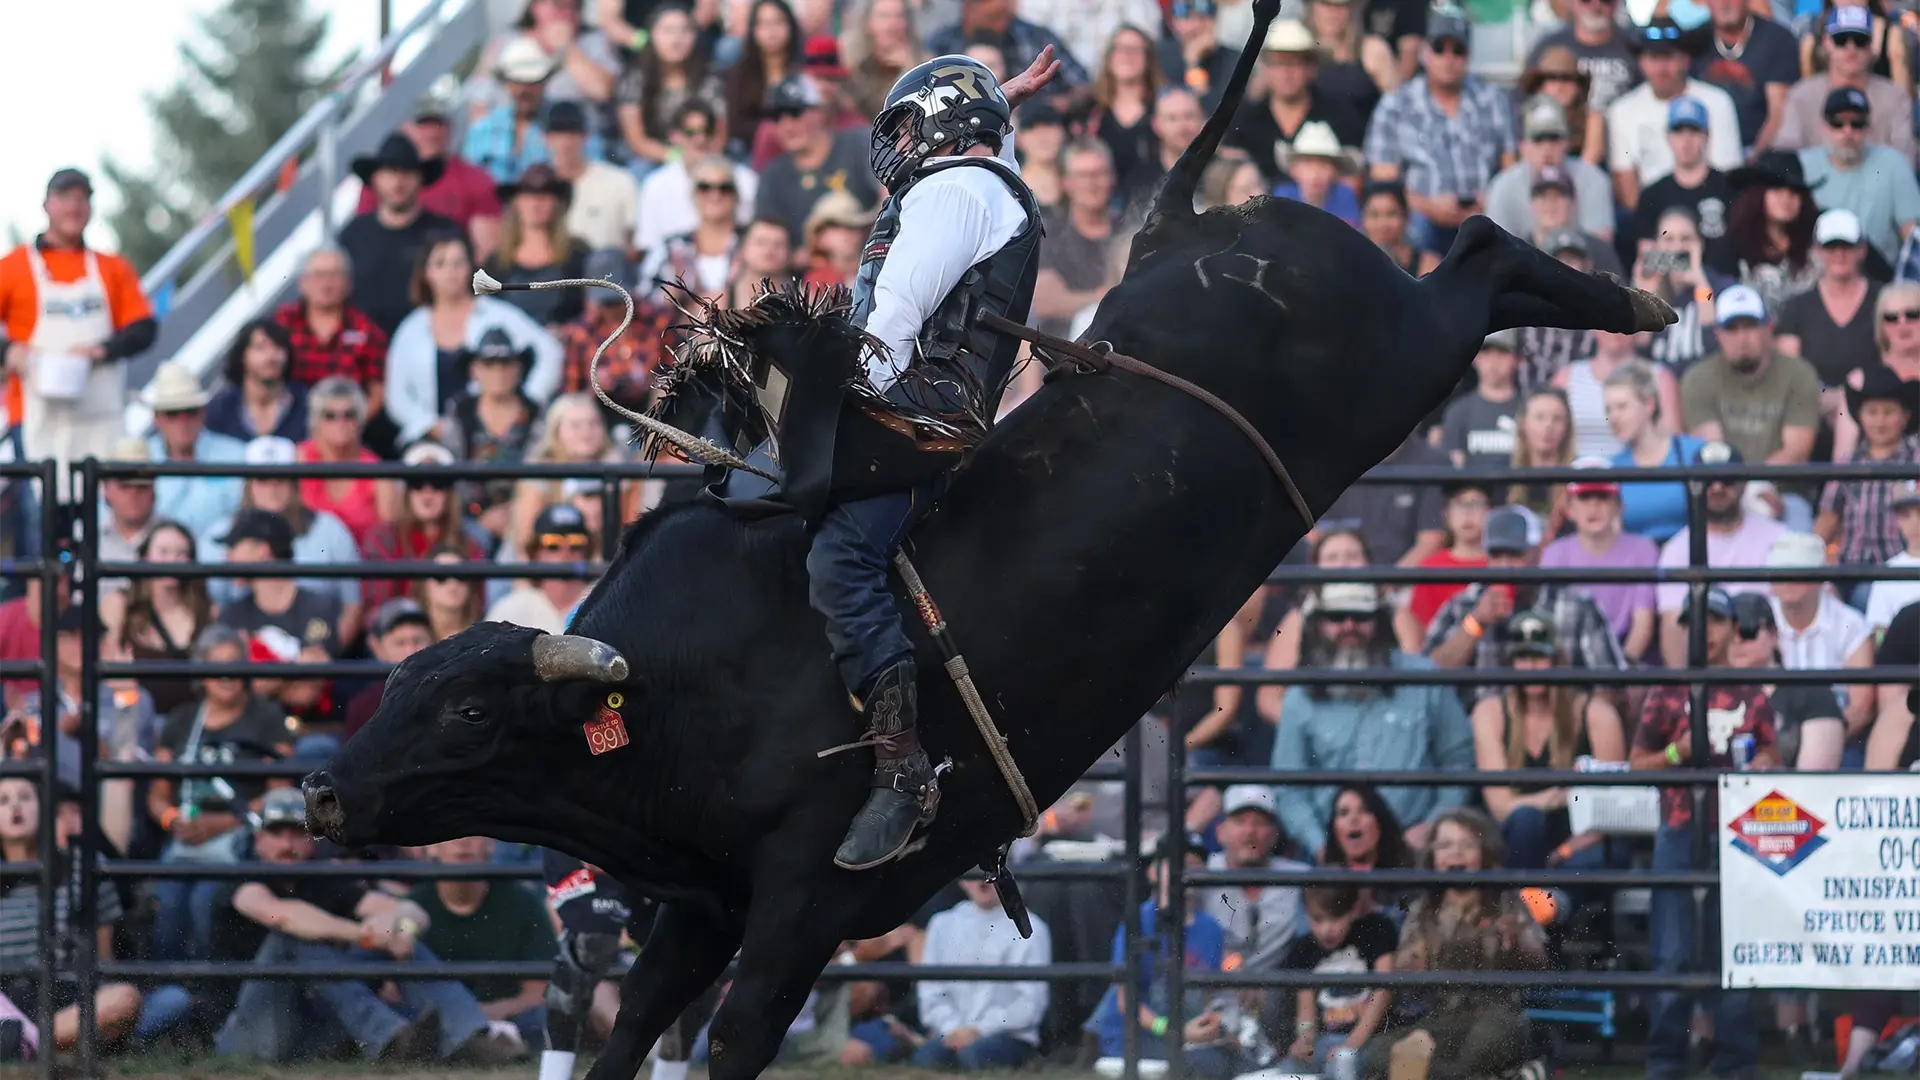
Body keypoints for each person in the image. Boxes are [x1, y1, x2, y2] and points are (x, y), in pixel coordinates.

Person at [800, 50, 1058, 871]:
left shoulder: (951, 190)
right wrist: (996, 105)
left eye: (911, 123)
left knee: (839, 555)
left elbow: (896, 313)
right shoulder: (981, 185)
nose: (897, 143)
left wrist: (838, 412)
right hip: (923, 409)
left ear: (946, 122)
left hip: (908, 416)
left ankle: (903, 767)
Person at [211, 788, 520, 1065]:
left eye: (298, 833)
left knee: (400, 940)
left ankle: (470, 1037)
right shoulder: (242, 880)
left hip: (307, 1027)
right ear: (258, 840)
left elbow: (409, 909)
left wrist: (403, 930)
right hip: (248, 1032)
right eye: (277, 833)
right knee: (291, 939)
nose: (288, 843)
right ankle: (392, 1039)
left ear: (312, 841)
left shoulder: (321, 880)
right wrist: (368, 935)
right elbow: (286, 917)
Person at [1631, 587, 1777, 1080]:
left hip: (1733, 834)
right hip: (1679, 829)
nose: (1708, 631)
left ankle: (1733, 1061)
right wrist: (1678, 753)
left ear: (1732, 629)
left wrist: (1763, 762)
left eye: (1716, 620)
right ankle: (1666, 1061)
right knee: (1673, 952)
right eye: (1700, 621)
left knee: (1731, 948)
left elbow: (1774, 756)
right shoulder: (1669, 690)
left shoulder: (1750, 692)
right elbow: (1637, 765)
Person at [1271, 582, 1475, 848]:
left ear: (1379, 621)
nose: (1349, 626)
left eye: (1361, 617)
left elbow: (1458, 762)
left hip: (1415, 848)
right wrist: (1321, 847)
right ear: (1320, 624)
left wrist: (1432, 828)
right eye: (1336, 617)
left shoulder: (1424, 679)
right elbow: (1289, 787)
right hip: (1332, 852)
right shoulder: (1301, 695)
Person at [0, 168, 157, 497]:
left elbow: (144, 328)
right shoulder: (12, 268)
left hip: (100, 418)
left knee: (100, 513)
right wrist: (8, 352)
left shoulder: (112, 267)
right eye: (65, 198)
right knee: (41, 522)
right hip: (34, 419)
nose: (74, 207)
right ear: (47, 205)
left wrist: (102, 350)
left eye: (82, 199)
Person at [1469, 612, 1626, 870]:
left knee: (1598, 858)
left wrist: (1564, 852)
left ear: (1557, 660)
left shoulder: (1596, 715)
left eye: (1540, 657)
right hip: (1520, 842)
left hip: (1581, 844)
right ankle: (1525, 905)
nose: (1531, 667)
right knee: (1526, 821)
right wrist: (1558, 796)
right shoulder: (1491, 712)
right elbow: (1500, 808)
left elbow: (1609, 812)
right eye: (1522, 658)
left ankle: (1546, 907)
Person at [1424, 505, 1628, 701]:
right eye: (1497, 555)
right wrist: (1476, 623)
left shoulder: (1575, 603)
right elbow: (1428, 675)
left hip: (1561, 726)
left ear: (1537, 553)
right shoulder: (1466, 604)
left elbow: (1611, 686)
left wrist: (1573, 717)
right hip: (1479, 729)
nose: (1504, 566)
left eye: (1514, 555)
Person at [1362, 13, 1516, 253]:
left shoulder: (1493, 100)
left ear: (1469, 56)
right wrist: (1428, 206)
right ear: (1424, 52)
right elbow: (1385, 183)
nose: (1448, 58)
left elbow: (1511, 170)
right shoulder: (1396, 104)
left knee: (1507, 219)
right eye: (1439, 48)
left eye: (1457, 51)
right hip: (1420, 219)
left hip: (1483, 216)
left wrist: (1489, 202)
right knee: (1410, 227)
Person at [1682, 284, 1822, 530]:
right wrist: (1743, 491)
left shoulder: (1799, 374)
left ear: (1768, 328)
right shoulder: (1698, 377)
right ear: (1718, 335)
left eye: (1749, 326)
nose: (1742, 338)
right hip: (1720, 489)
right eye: (1732, 329)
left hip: (1783, 492)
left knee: (1799, 537)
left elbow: (1798, 449)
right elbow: (1712, 450)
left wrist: (1758, 486)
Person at [1656, 441, 1790, 666]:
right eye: (1708, 480)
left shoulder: (1779, 537)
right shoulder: (1677, 548)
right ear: (1694, 486)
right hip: (1708, 669)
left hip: (1766, 666)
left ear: (1744, 483)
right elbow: (1674, 627)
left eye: (1727, 479)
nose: (1717, 487)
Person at [910, 878, 1052, 1069]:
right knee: (925, 1061)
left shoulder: (1031, 927)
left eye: (989, 874)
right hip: (951, 1033)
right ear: (961, 880)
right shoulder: (941, 923)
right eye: (973, 874)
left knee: (974, 1058)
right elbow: (931, 991)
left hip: (1008, 1035)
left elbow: (1031, 1003)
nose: (982, 882)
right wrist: (953, 1029)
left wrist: (979, 1030)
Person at [1604, 19, 1742, 212]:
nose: (1661, 67)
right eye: (1653, 57)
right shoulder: (1622, 110)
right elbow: (1625, 179)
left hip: (1708, 210)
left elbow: (1728, 174)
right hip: (1652, 215)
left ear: (1685, 60)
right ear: (1642, 62)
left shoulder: (1717, 102)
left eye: (1668, 57)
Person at [339, 136, 462, 335]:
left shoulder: (445, 234)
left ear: (420, 178)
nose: (398, 182)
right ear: (375, 179)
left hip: (428, 340)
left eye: (407, 172)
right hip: (366, 349)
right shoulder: (353, 234)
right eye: (389, 172)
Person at [1541, 460, 1659, 657]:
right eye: (1585, 497)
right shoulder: (1555, 554)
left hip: (1625, 659)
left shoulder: (1643, 550)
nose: (1594, 506)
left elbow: (1643, 623)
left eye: (1602, 497)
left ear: (1619, 506)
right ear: (1570, 509)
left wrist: (1620, 673)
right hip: (1571, 659)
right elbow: (1551, 623)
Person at [1276, 886, 1397, 1073]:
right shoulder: (1304, 949)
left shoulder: (1376, 930)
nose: (1327, 929)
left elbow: (1383, 991)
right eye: (1317, 919)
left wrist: (1350, 1046)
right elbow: (1305, 1010)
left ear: (1354, 910)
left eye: (1336, 918)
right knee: (1287, 1070)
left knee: (1344, 1065)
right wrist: (1304, 1042)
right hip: (1324, 1041)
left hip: (1371, 1038)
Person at [1799, 86, 1920, 268]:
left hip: (1879, 279)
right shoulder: (1802, 165)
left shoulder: (1893, 163)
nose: (1848, 132)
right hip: (1814, 279)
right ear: (1823, 127)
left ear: (1869, 127)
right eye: (1838, 123)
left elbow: (1913, 235)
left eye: (1857, 123)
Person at [1623, 97, 1734, 273]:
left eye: (1694, 131)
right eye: (1678, 131)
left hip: (1721, 284)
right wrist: (1692, 266)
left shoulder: (1729, 188)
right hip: (1670, 288)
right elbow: (1647, 259)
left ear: (1707, 135)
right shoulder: (1653, 194)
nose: (1686, 140)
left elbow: (1736, 251)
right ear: (1668, 137)